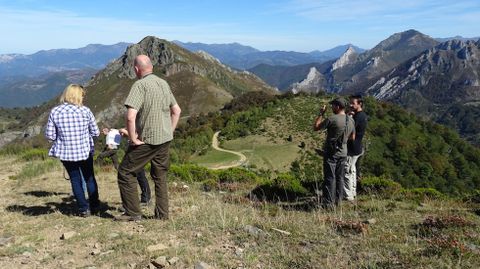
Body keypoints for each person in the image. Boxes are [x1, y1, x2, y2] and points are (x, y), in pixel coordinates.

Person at [116, 54, 181, 221]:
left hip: (148, 140)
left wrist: (133, 138)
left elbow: (130, 116)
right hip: (165, 139)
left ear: (137, 69)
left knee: (125, 172)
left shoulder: (140, 85)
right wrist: (170, 131)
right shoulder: (163, 83)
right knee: (160, 176)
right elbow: (177, 111)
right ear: (151, 67)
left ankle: (132, 212)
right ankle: (162, 214)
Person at [45, 84, 100, 217]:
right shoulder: (85, 111)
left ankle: (83, 209)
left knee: (75, 180)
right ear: (78, 96)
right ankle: (95, 207)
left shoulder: (55, 111)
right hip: (85, 151)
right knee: (89, 178)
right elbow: (96, 132)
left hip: (66, 153)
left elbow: (50, 136)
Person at [313, 97, 355, 208]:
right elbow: (353, 137)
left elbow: (316, 127)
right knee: (340, 177)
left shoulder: (331, 119)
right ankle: (338, 201)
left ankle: (328, 204)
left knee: (329, 178)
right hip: (343, 153)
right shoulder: (351, 120)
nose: (331, 107)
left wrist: (321, 114)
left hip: (331, 153)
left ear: (337, 106)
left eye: (333, 105)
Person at [97, 127, 151, 205]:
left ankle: (138, 201)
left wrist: (123, 131)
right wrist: (125, 131)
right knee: (138, 174)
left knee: (135, 174)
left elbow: (135, 135)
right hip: (134, 147)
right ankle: (142, 199)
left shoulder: (136, 121)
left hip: (137, 148)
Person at [344, 95, 368, 201]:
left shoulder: (358, 117)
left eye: (353, 103)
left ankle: (348, 196)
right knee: (352, 170)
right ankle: (353, 192)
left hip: (352, 148)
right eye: (350, 103)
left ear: (359, 104)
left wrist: (348, 117)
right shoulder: (361, 115)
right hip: (358, 147)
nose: (350, 105)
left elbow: (348, 131)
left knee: (347, 171)